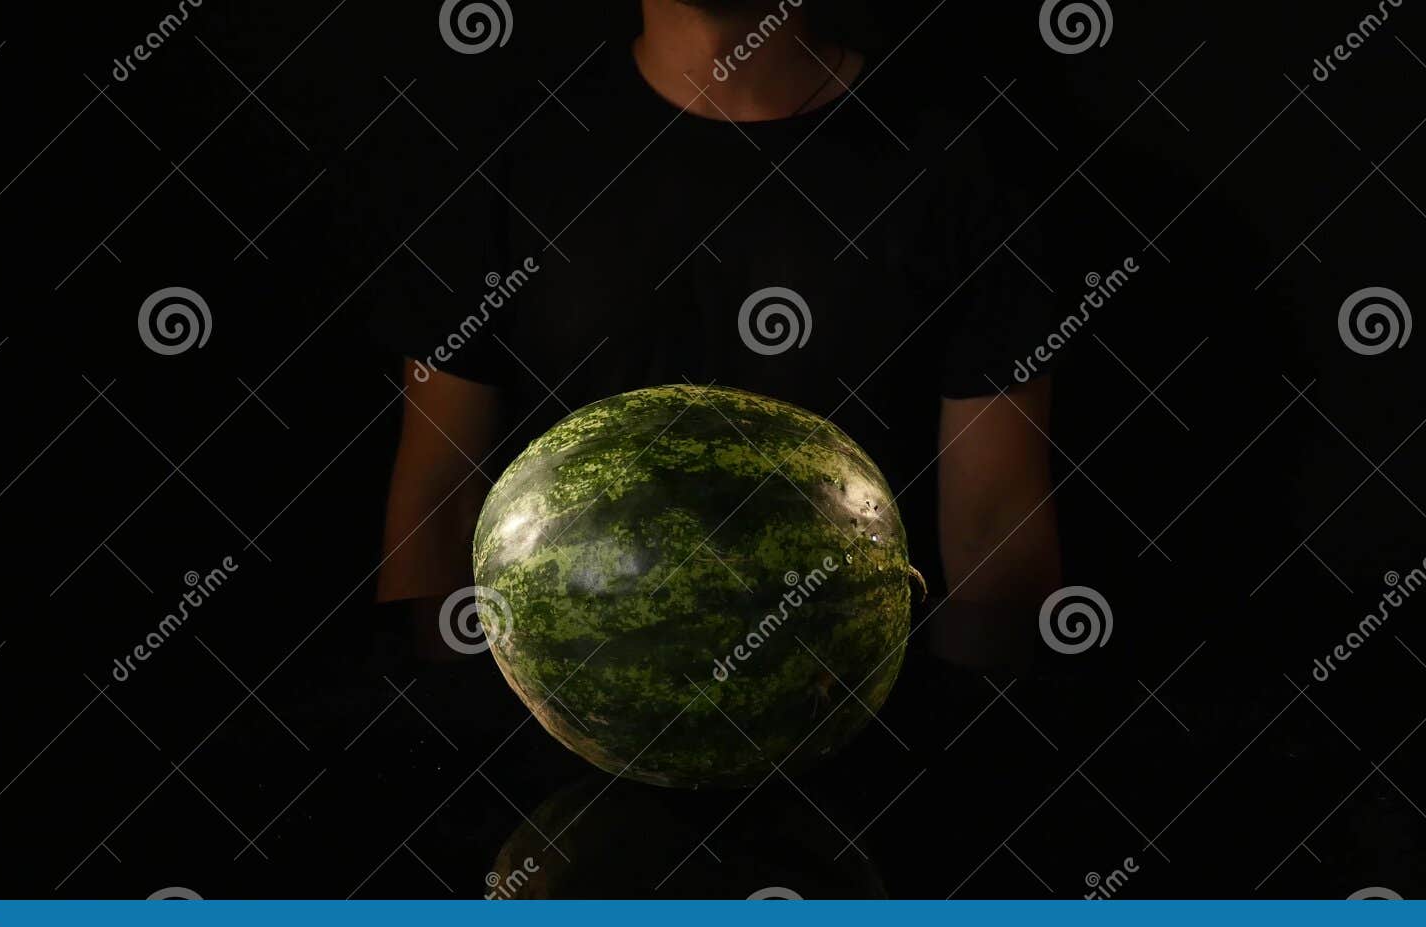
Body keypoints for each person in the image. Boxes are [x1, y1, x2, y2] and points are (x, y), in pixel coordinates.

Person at [376, 0, 1061, 666]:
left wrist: (970, 732)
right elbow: (439, 496)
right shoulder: (506, 153)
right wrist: (452, 724)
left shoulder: (958, 164)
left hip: (856, 712)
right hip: (550, 721)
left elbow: (995, 529)